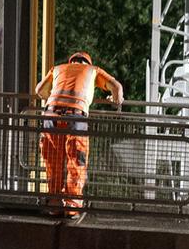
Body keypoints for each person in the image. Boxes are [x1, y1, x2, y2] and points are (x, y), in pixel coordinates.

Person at [33, 51, 123, 219]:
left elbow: (39, 90)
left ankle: (54, 202)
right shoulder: (92, 70)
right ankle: (72, 205)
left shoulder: (58, 68)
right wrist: (116, 100)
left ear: (71, 61)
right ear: (87, 62)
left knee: (53, 160)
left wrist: (52, 99)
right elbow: (116, 87)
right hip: (76, 116)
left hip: (51, 114)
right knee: (76, 160)